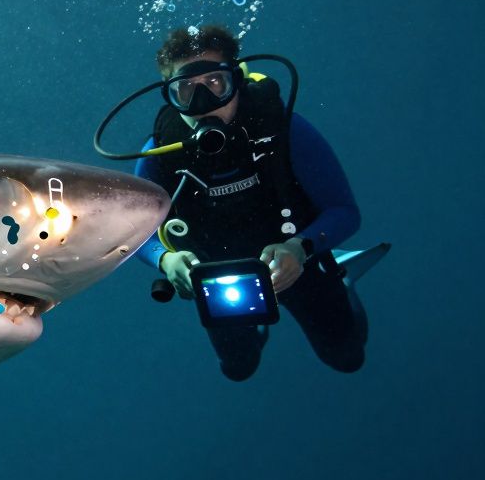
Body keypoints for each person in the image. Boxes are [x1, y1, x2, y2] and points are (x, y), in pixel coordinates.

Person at [134, 24, 366, 381]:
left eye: (215, 84)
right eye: (185, 90)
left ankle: (344, 284)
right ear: (170, 96)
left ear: (237, 82)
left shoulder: (286, 131)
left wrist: (301, 248)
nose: (202, 105)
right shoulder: (159, 155)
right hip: (218, 281)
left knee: (347, 357)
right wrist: (166, 260)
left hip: (301, 264)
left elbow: (345, 212)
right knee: (238, 368)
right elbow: (133, 232)